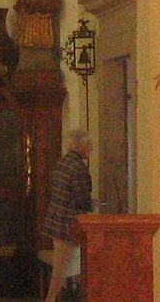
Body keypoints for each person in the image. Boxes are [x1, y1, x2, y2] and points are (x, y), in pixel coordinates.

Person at [42, 129, 93, 302]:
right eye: (89, 145)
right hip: (69, 226)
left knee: (76, 266)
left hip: (57, 221)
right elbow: (81, 199)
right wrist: (93, 204)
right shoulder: (78, 167)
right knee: (61, 269)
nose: (91, 149)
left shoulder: (61, 163)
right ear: (81, 146)